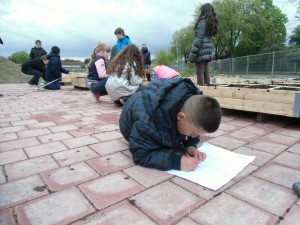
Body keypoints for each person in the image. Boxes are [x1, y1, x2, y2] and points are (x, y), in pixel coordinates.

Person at [119, 78, 222, 171]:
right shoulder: (147, 123)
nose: (194, 136)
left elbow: (191, 132)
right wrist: (176, 162)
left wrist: (191, 145)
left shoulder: (189, 114)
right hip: (131, 118)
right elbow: (140, 154)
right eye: (193, 133)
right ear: (180, 116)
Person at [189, 3, 218, 85]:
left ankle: (200, 93)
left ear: (203, 11)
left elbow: (199, 38)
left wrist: (192, 53)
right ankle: (207, 92)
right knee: (205, 71)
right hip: (208, 50)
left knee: (200, 72)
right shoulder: (210, 23)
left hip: (201, 50)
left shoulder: (202, 22)